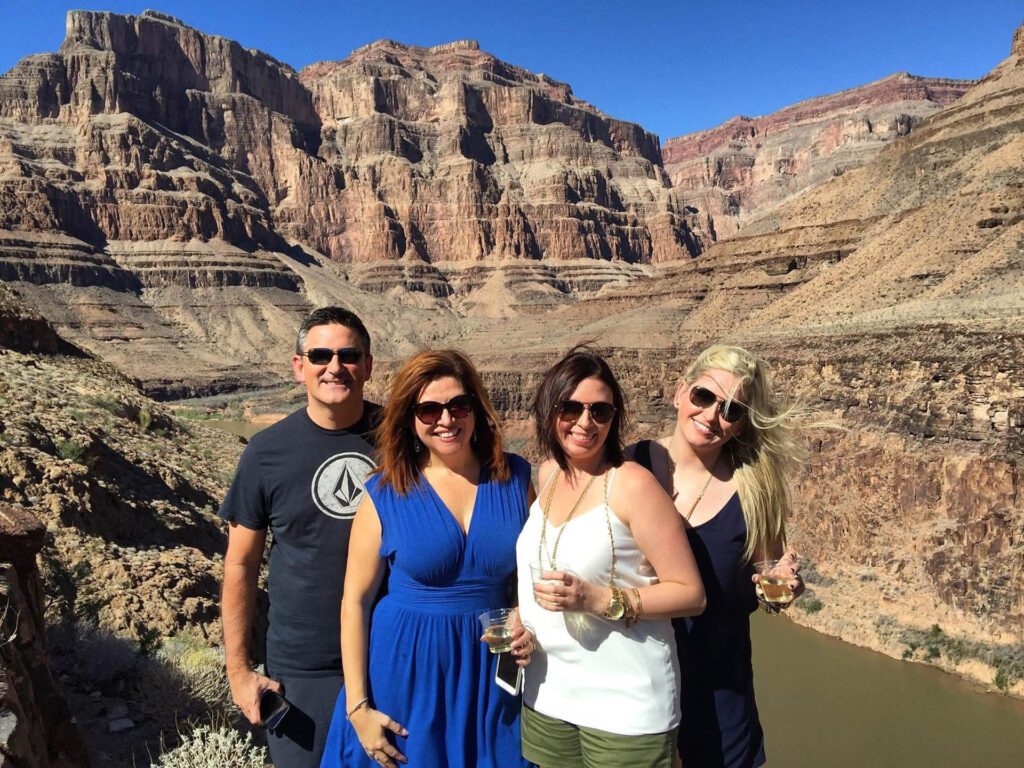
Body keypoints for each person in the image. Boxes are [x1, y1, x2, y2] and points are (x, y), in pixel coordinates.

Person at [321, 349, 535, 768]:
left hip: (492, 674)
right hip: (404, 674)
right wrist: (358, 708)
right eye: (429, 409)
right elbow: (355, 602)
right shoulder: (384, 492)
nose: (446, 419)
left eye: (459, 405)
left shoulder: (517, 477)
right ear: (409, 417)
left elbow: (542, 569)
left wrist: (525, 617)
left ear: (475, 408)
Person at [516, 348, 706, 768]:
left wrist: (596, 599)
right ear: (549, 410)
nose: (585, 422)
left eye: (599, 411)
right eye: (570, 408)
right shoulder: (547, 475)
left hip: (626, 707)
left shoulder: (632, 485)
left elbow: (691, 594)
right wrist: (520, 618)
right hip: (547, 695)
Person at [627, 344, 805, 768]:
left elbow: (768, 577)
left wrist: (781, 587)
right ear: (679, 393)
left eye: (731, 410)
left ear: (742, 425)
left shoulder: (755, 491)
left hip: (719, 696)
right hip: (635, 684)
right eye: (703, 397)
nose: (711, 416)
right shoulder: (629, 466)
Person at [220, 306, 378, 768]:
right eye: (320, 354)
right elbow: (240, 565)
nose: (335, 366)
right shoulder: (266, 452)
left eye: (349, 355)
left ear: (368, 366)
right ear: (299, 366)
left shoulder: (402, 438)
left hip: (390, 651)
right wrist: (238, 671)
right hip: (303, 668)